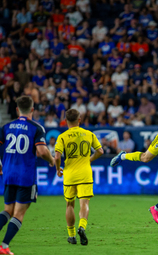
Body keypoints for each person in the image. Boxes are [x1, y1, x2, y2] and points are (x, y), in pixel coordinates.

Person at [0, 96, 55, 254]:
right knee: (19, 213)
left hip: (9, 174)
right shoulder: (36, 128)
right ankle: (4, 246)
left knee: (7, 211)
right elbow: (43, 151)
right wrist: (51, 160)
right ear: (32, 109)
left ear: (17, 110)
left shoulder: (6, 127)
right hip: (25, 176)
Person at [54, 109, 103, 245]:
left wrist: (58, 169)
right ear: (79, 120)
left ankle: (71, 236)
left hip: (69, 174)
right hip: (85, 173)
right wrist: (89, 159)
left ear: (66, 121)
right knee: (84, 203)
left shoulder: (62, 136)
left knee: (70, 204)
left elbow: (57, 157)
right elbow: (100, 151)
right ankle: (82, 226)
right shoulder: (89, 134)